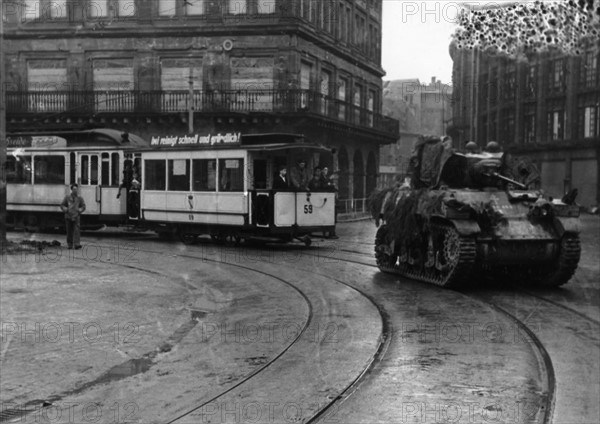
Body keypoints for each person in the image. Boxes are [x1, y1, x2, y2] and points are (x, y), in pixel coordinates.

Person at [60, 183, 86, 249]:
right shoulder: (67, 197)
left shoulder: (80, 198)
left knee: (77, 231)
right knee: (69, 231)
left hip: (76, 216)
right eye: (74, 189)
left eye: (76, 189)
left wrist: (80, 210)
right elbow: (62, 205)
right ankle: (70, 244)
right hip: (68, 216)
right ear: (71, 190)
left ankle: (77, 244)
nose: (75, 190)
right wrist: (65, 209)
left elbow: (83, 206)